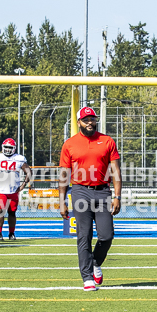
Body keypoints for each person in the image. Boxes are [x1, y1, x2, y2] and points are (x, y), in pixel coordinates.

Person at [59, 107, 121, 291]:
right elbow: (64, 173)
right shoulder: (69, 144)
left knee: (107, 235)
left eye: (92, 119)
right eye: (85, 120)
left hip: (103, 191)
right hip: (80, 191)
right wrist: (62, 200)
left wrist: (117, 195)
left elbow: (115, 170)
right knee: (83, 236)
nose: (89, 122)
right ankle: (87, 277)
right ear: (78, 122)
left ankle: (95, 262)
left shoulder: (107, 140)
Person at [0, 138, 31, 241]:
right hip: (0, 190)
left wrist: (23, 185)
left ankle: (11, 233)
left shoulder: (19, 158)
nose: (8, 150)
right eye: (6, 147)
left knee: (12, 212)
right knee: (0, 212)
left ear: (14, 148)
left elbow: (29, 172)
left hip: (13, 191)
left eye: (10, 148)